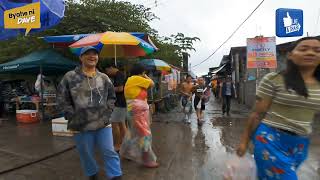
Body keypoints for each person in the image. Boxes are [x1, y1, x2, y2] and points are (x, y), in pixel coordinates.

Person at [237, 37, 320, 180]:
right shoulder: (274, 79)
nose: (311, 53)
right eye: (304, 49)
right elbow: (257, 114)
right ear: (290, 55)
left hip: (300, 145)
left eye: (317, 50)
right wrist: (244, 141)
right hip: (270, 140)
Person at [57, 46, 122, 180]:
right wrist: (72, 115)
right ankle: (92, 174)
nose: (92, 56)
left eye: (95, 54)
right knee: (86, 153)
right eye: (88, 54)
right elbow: (62, 98)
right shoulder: (70, 76)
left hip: (103, 123)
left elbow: (111, 96)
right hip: (81, 124)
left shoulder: (103, 77)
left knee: (109, 151)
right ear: (81, 57)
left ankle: (115, 176)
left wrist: (107, 113)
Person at [120, 64, 159, 168]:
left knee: (133, 132)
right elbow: (152, 84)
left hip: (134, 110)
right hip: (138, 110)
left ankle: (126, 152)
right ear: (141, 72)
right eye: (144, 73)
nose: (145, 75)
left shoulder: (131, 80)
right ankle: (146, 159)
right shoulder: (136, 78)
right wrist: (146, 77)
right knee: (145, 134)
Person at [105, 64, 127, 153]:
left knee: (115, 124)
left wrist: (107, 89)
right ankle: (125, 144)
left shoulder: (119, 74)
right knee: (121, 124)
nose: (107, 73)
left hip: (119, 103)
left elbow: (120, 88)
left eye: (107, 70)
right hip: (121, 103)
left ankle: (117, 146)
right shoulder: (120, 74)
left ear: (111, 67)